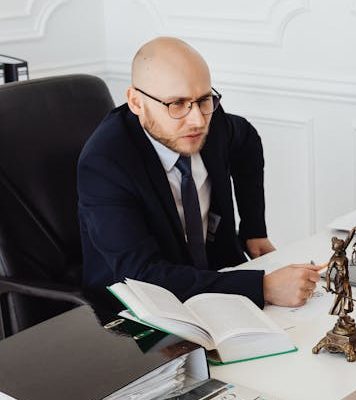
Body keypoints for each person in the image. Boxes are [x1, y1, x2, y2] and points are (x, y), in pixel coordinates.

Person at [78, 37, 321, 318]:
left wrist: (254, 228)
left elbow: (247, 141)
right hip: (140, 314)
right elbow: (142, 277)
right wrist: (263, 287)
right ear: (136, 102)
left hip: (217, 282)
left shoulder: (210, 119)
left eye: (204, 99)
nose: (197, 121)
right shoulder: (104, 164)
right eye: (177, 104)